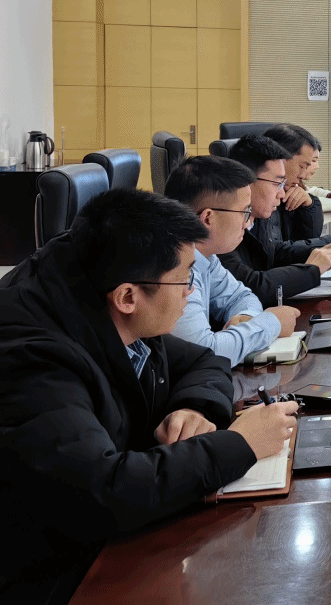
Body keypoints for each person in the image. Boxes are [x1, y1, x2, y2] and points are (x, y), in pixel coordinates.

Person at [0, 189, 299, 604]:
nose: (190, 293)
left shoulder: (103, 295)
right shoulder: (34, 361)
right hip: (58, 578)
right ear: (128, 297)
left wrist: (192, 406)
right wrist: (240, 445)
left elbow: (204, 361)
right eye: (184, 279)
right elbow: (102, 494)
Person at [164, 156, 301, 366]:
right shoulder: (173, 270)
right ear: (208, 218)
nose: (248, 223)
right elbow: (203, 353)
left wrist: (246, 317)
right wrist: (272, 322)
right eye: (245, 212)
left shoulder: (205, 256)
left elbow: (241, 296)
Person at [219, 134, 331, 305]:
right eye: (277, 184)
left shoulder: (258, 215)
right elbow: (250, 287)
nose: (282, 193)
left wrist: (326, 250)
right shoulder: (220, 226)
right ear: (246, 181)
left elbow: (274, 253)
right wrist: (311, 270)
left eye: (283, 184)